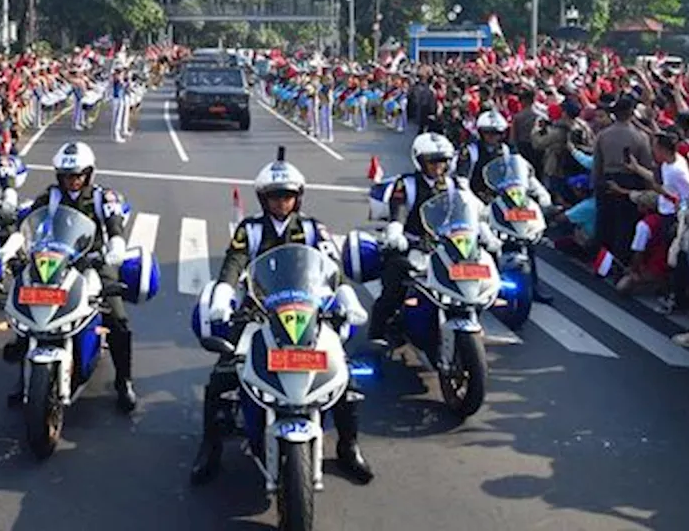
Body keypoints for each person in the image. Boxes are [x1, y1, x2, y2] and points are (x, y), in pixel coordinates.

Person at [189, 152, 373, 485]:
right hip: (259, 311)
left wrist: (346, 295)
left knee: (345, 377)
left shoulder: (314, 228)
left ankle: (349, 446)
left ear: (298, 197)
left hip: (310, 310)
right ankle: (210, 446)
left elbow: (333, 266)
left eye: (288, 196)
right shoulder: (251, 229)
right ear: (263, 198)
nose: (282, 202)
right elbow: (234, 261)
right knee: (223, 375)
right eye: (275, 196)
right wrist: (223, 293)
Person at [4, 141, 137, 411]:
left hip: (93, 261)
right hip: (54, 259)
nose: (72, 181)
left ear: (88, 174)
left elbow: (114, 224)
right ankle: (24, 377)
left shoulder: (103, 197)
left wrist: (116, 245)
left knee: (117, 317)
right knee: (27, 308)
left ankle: (124, 380)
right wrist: (14, 243)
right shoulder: (51, 196)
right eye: (67, 175)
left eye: (78, 175)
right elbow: (28, 221)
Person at [369, 132, 503, 342]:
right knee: (395, 282)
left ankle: (475, 312)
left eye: (443, 161)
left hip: (451, 246)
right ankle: (378, 332)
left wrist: (487, 236)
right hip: (415, 245)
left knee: (482, 269)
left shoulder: (455, 185)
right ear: (420, 161)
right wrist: (396, 231)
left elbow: (473, 212)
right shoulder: (407, 184)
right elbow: (399, 210)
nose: (438, 166)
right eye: (432, 161)